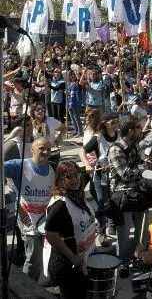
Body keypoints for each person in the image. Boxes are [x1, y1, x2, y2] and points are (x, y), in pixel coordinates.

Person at [3, 139, 55, 282]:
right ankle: (27, 289)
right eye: (41, 148)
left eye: (49, 149)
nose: (46, 152)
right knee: (34, 258)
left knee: (45, 253)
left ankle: (41, 281)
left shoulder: (51, 168)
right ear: (32, 150)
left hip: (45, 221)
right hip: (28, 220)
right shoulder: (19, 165)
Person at [108, 116, 152, 277]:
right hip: (123, 195)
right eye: (138, 128)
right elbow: (125, 174)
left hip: (138, 192)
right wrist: (146, 166)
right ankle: (122, 262)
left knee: (142, 231)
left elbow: (143, 159)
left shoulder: (135, 145)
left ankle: (139, 257)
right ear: (130, 131)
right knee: (124, 234)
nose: (141, 130)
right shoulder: (115, 149)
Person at [44, 161, 96, 298]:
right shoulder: (60, 205)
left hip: (81, 262)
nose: (74, 179)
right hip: (67, 266)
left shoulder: (77, 196)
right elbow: (50, 234)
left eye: (76, 175)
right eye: (68, 177)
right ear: (60, 180)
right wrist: (73, 257)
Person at [79, 112, 119, 245]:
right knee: (102, 202)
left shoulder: (120, 136)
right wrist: (86, 165)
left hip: (116, 175)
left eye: (116, 120)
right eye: (112, 121)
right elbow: (82, 151)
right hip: (101, 175)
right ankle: (102, 233)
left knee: (115, 200)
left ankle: (112, 225)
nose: (115, 123)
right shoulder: (98, 138)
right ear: (105, 123)